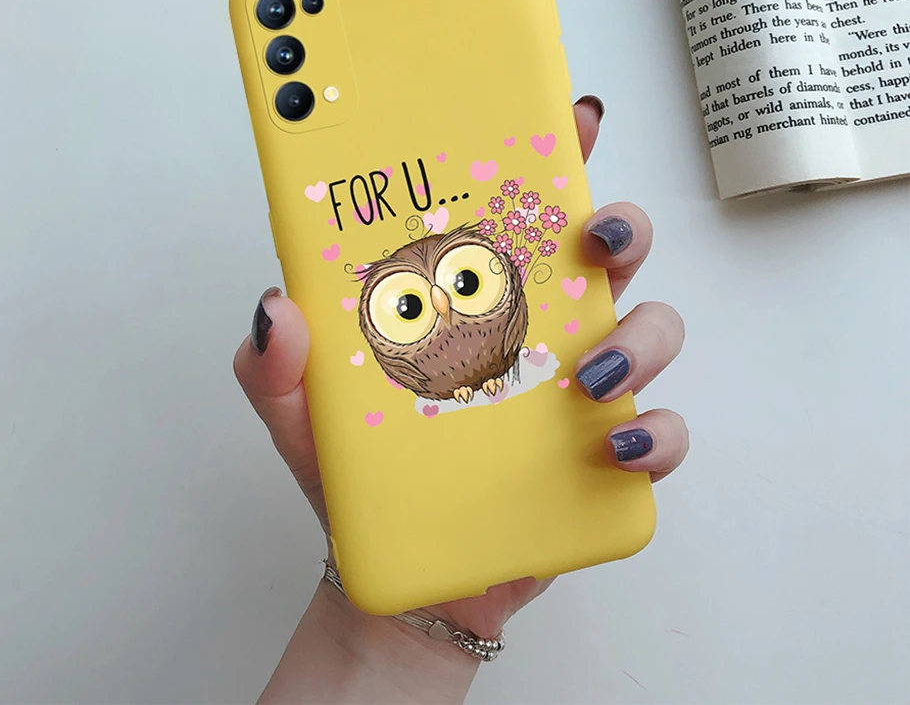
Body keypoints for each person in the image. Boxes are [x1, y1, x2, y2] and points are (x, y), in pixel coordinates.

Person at [233, 97, 688, 704]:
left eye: (467, 281)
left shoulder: (526, 356)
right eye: (407, 305)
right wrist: (404, 631)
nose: (444, 306)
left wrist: (419, 636)